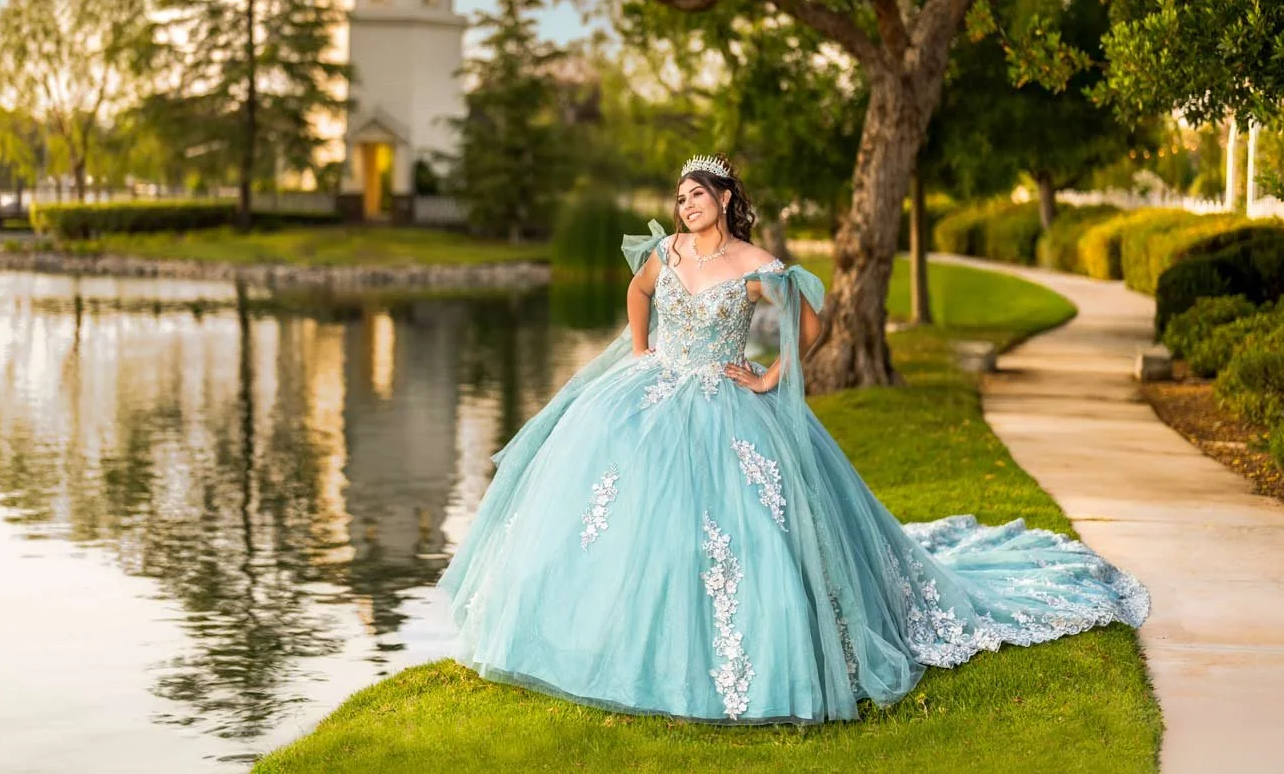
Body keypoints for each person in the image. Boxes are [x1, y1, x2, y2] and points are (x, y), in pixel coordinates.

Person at [436, 153, 1148, 724]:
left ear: (724, 198)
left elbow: (813, 324)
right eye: (680, 197)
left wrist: (772, 375)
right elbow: (639, 291)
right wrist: (643, 350)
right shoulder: (668, 251)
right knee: (618, 509)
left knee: (748, 525)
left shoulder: (755, 265)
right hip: (654, 391)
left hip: (726, 397)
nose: (685, 206)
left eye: (696, 195)